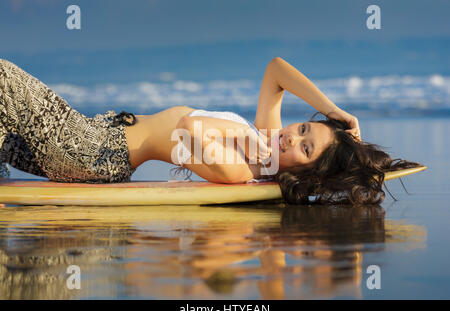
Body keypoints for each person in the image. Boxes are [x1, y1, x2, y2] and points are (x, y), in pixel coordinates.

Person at [0, 57, 421, 204]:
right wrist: (333, 111)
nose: (292, 136)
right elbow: (275, 70)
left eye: (305, 148)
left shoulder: (242, 170)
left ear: (306, 172)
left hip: (94, 152)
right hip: (94, 134)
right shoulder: (267, 141)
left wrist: (248, 143)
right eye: (304, 127)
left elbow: (188, 129)